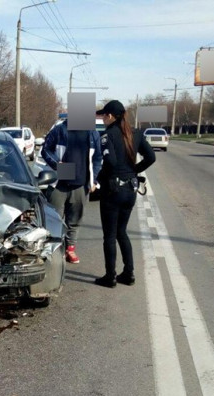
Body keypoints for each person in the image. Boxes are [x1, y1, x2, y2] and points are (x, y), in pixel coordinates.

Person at [94, 100, 156, 288]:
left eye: (104, 115)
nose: (103, 118)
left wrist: (98, 179)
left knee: (109, 235)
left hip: (113, 191)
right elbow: (151, 157)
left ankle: (110, 277)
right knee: (122, 232)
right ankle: (128, 273)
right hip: (131, 189)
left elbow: (110, 163)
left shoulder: (107, 136)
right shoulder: (135, 133)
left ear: (110, 116)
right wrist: (133, 171)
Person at [41, 114, 103, 264]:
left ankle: (70, 249)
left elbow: (97, 158)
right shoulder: (60, 130)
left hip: (81, 184)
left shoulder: (92, 133)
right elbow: (45, 150)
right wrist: (57, 164)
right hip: (60, 182)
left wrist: (93, 179)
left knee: (74, 220)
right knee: (54, 219)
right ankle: (54, 250)